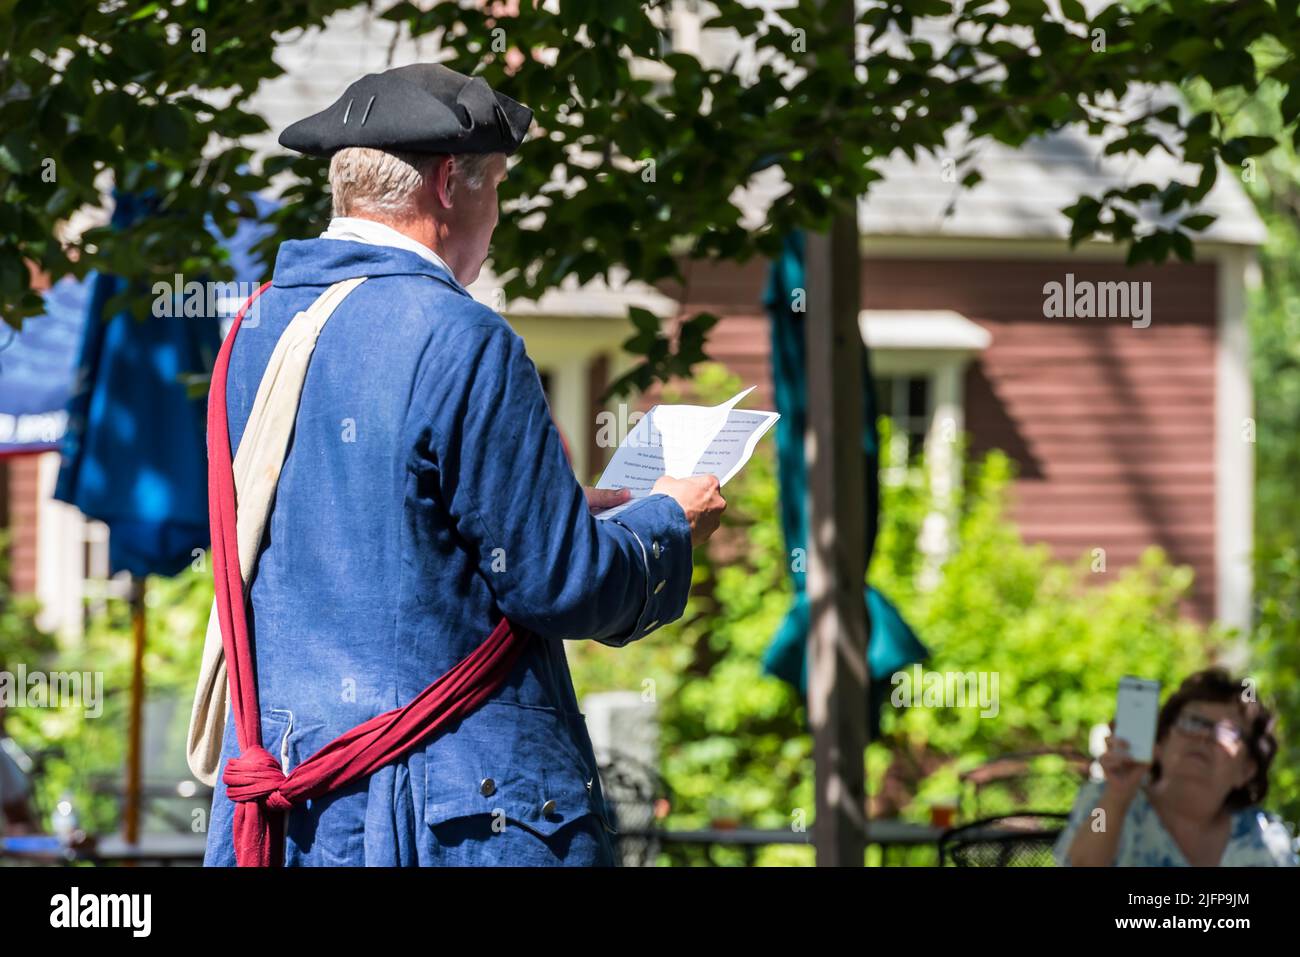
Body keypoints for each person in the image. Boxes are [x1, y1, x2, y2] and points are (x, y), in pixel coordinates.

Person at [199, 63, 726, 866]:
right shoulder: (461, 335)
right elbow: (564, 586)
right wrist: (666, 519)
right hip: (441, 820)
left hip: (295, 820)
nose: (500, 215)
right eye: (499, 189)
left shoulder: (254, 330)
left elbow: (384, 528)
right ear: (450, 183)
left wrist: (552, 508)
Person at [1055, 668, 1298, 866]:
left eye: (1226, 732)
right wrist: (1117, 797)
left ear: (1247, 769)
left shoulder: (1265, 838)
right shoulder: (1102, 804)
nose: (1203, 737)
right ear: (1161, 741)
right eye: (1193, 722)